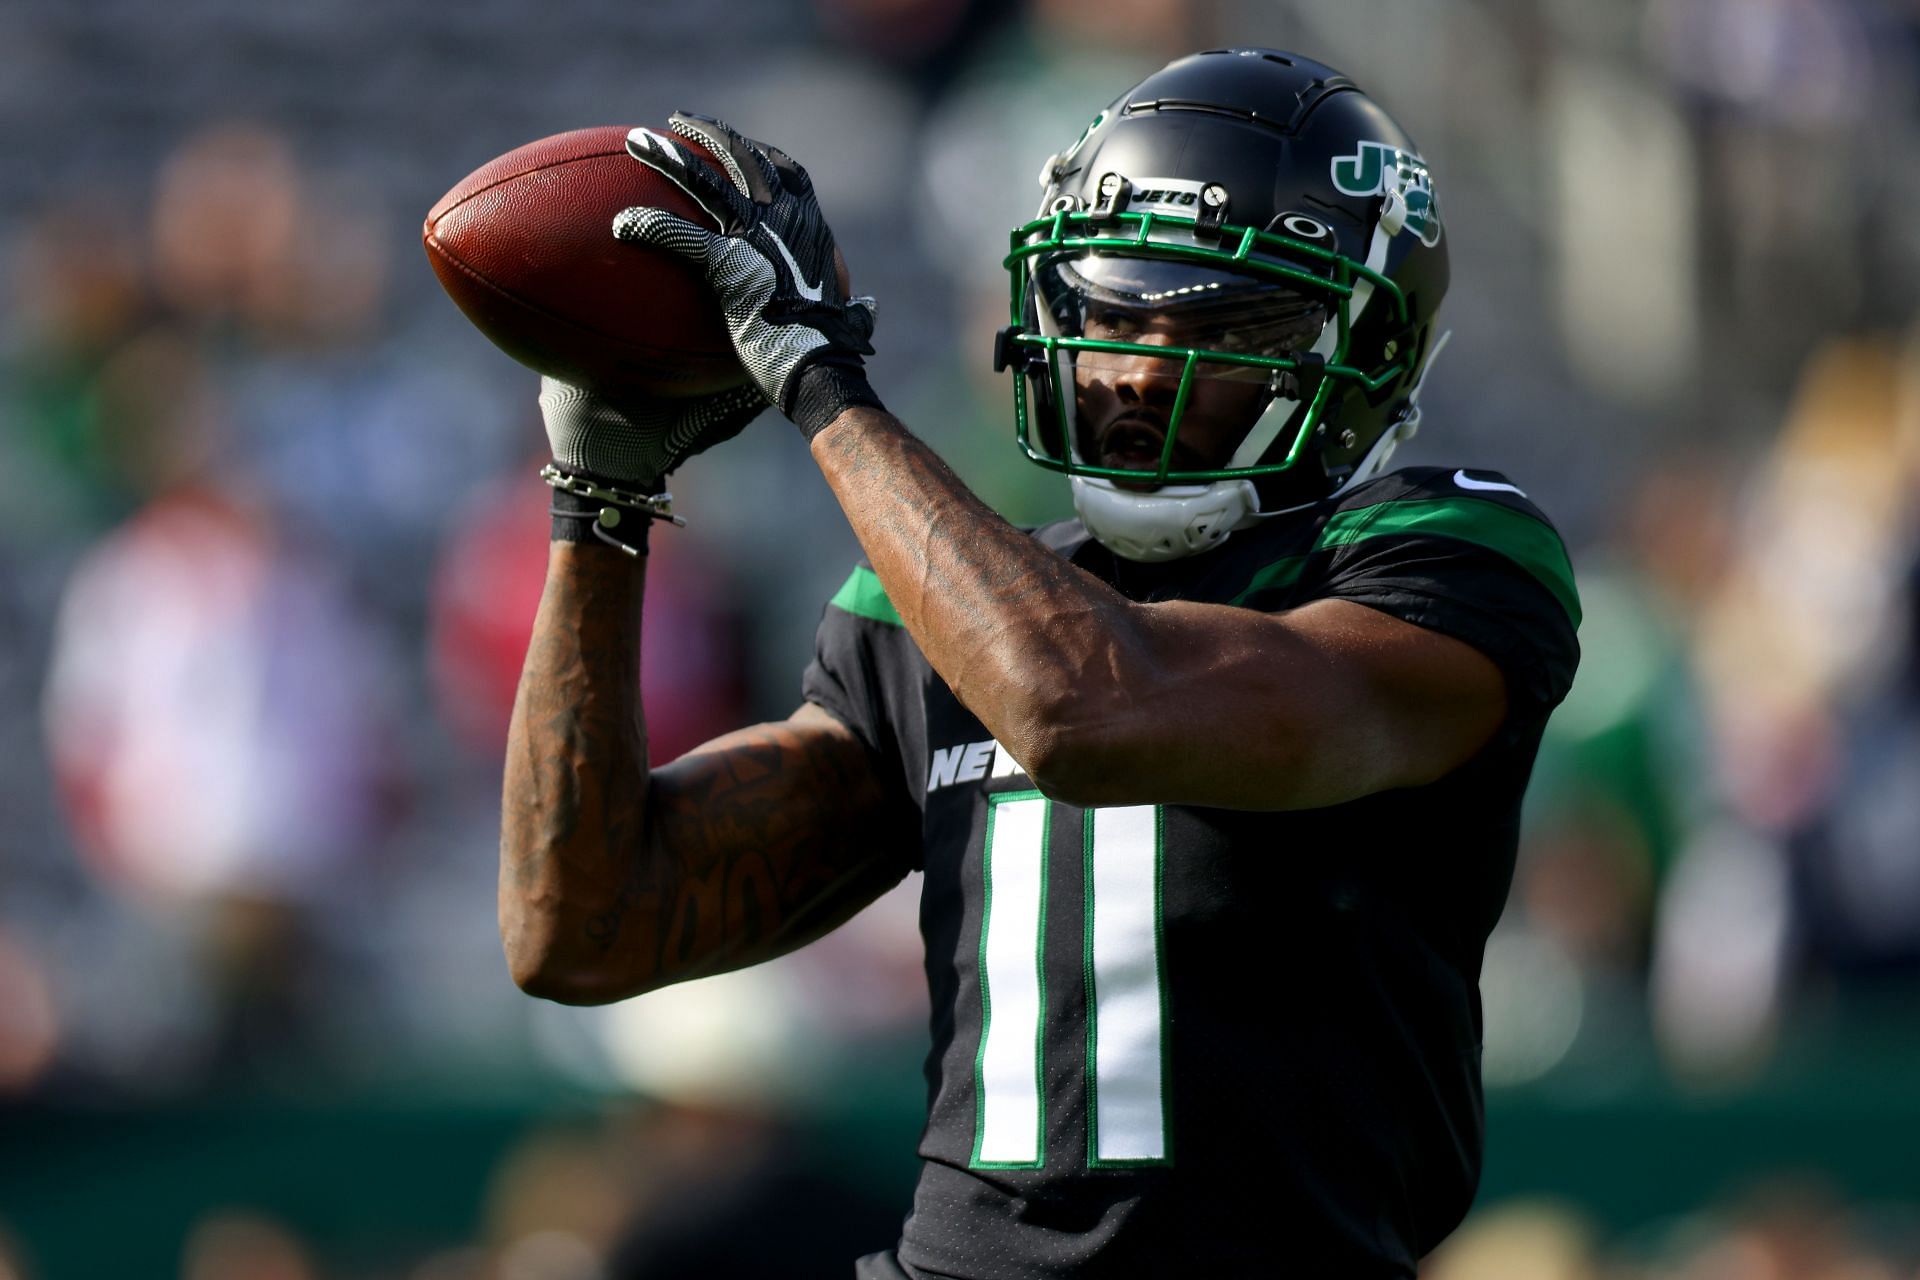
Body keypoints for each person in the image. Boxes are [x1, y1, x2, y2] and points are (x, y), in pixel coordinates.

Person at [498, 48, 1581, 1279]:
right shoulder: (945, 602)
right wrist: (600, 505)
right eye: (1109, 312)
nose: (1130, 368)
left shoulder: (1436, 552)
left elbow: (1081, 707)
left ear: (1369, 344)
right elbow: (582, 926)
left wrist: (817, 378)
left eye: (1212, 325)